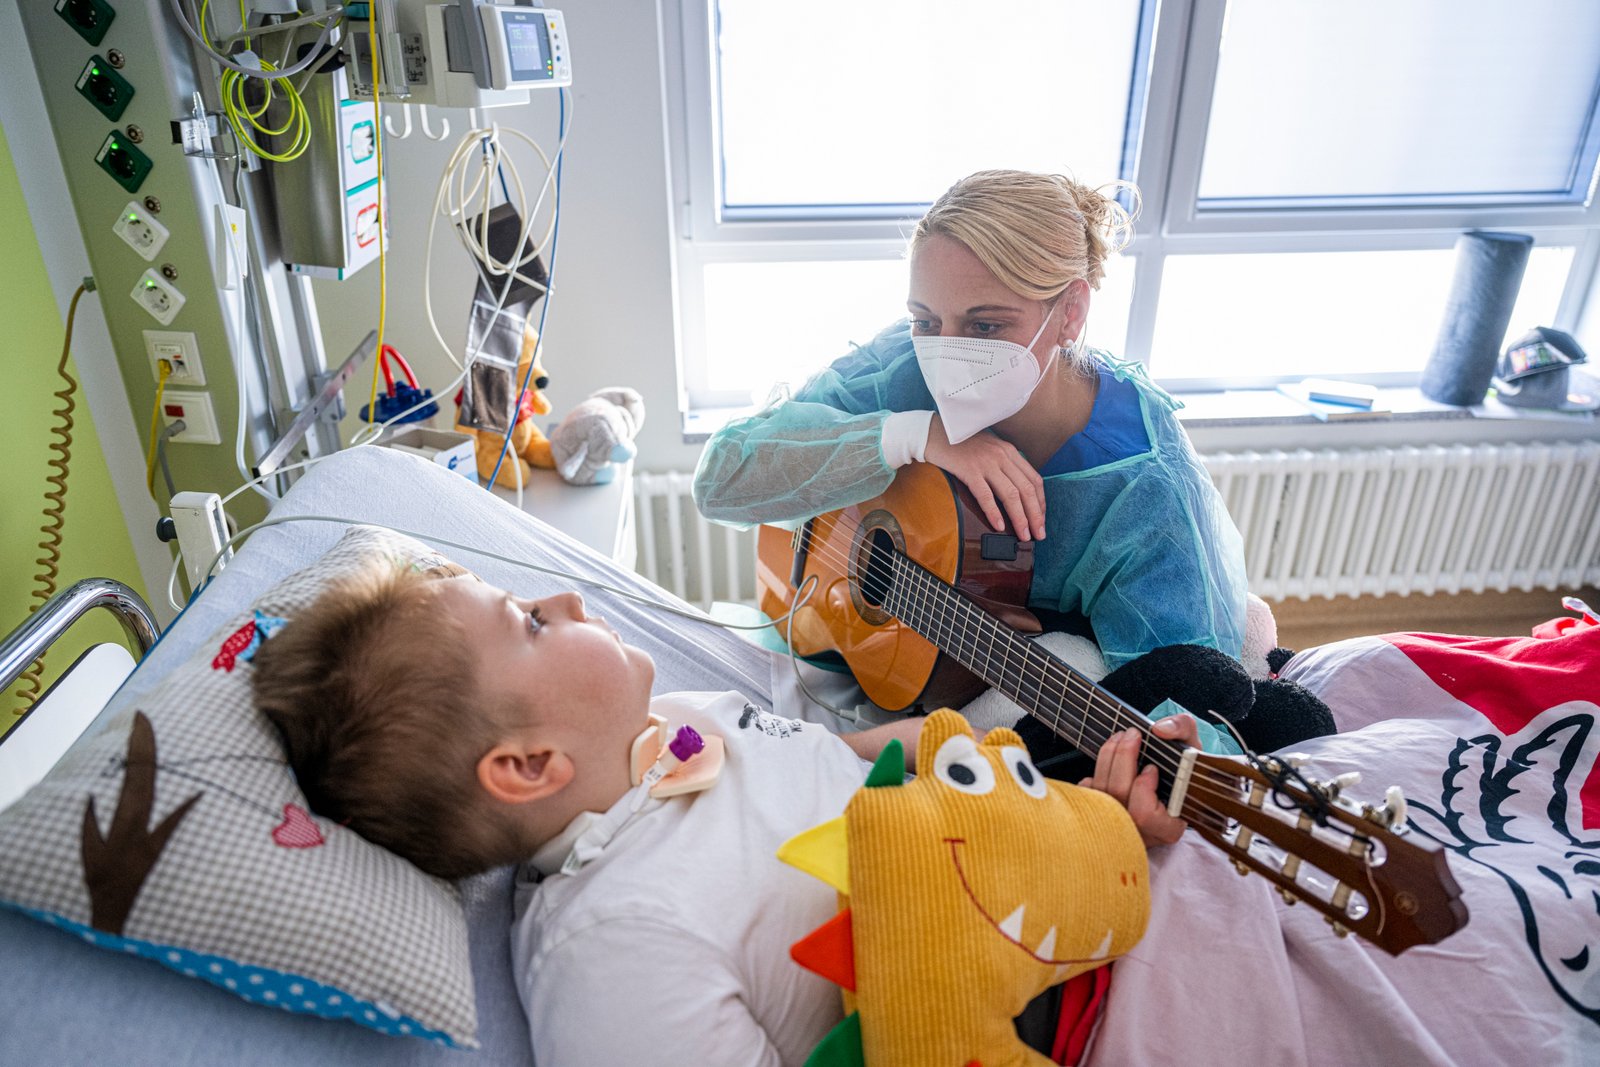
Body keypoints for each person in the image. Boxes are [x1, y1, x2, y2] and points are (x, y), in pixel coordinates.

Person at [250, 562, 1198, 1066]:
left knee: (1185, 686)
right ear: (530, 764)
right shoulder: (613, 947)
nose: (568, 594)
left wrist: (1029, 778)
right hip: (1025, 988)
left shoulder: (665, 728)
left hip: (989, 825)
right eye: (531, 621)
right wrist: (1078, 839)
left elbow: (837, 760)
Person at [693, 170, 1248, 676]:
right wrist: (914, 436)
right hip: (825, 639)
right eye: (925, 319)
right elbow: (723, 482)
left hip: (956, 684)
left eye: (985, 327)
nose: (944, 353)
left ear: (1071, 313)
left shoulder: (1144, 491)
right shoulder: (900, 365)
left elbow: (1186, 692)